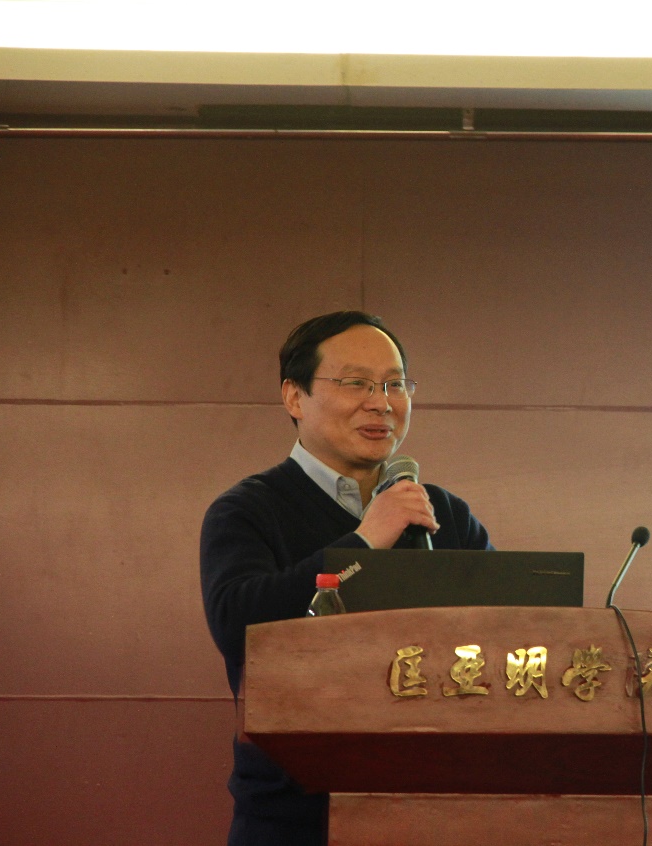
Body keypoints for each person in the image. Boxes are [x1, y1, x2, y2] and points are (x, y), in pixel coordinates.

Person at [200, 311, 491, 846]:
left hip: (438, 809)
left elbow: (509, 630)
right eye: (356, 383)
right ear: (294, 397)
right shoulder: (247, 511)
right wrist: (362, 544)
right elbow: (239, 627)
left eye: (395, 385)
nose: (381, 403)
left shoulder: (444, 514)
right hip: (296, 818)